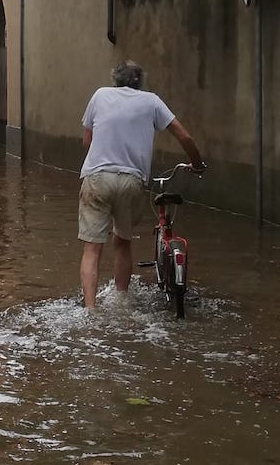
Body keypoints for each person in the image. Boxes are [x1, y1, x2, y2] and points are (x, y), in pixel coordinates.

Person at [78, 60, 205, 309]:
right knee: (122, 242)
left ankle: (90, 311)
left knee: (92, 249)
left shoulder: (100, 95)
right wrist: (197, 164)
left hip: (97, 177)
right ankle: (122, 300)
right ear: (140, 82)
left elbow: (87, 142)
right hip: (131, 181)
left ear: (115, 79)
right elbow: (184, 136)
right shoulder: (152, 101)